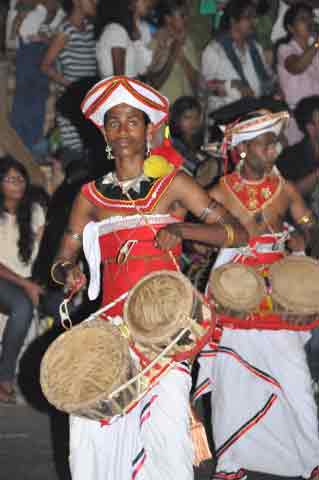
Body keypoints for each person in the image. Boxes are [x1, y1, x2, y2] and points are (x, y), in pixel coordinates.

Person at [50, 75, 248, 480]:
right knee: (94, 426)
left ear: (149, 129)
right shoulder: (89, 196)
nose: (123, 131)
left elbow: (236, 232)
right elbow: (60, 260)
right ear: (104, 132)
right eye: (114, 123)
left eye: (132, 122)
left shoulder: (174, 184)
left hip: (166, 326)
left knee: (167, 425)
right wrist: (69, 273)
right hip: (112, 328)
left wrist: (184, 230)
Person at [157, 108, 319, 480]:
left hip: (279, 291)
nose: (274, 150)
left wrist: (301, 236)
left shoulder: (285, 188)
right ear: (244, 150)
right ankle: (232, 464)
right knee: (233, 379)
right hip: (234, 290)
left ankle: (310, 458)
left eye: (275, 142)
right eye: (265, 144)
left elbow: (308, 224)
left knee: (294, 375)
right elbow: (186, 228)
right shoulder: (218, 192)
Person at [0, 156, 45, 403]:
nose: (17, 184)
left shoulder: (35, 211)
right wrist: (26, 284)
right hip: (7, 279)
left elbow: (47, 248)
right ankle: (4, 379)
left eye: (20, 179)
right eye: (10, 179)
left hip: (28, 279)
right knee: (21, 306)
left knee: (64, 305)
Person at [41, 0, 96, 164]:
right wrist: (71, 86)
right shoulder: (65, 30)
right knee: (75, 151)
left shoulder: (91, 29)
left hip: (89, 101)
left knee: (88, 148)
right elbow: (45, 65)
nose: (95, 2)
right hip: (73, 101)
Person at [201, 0, 274, 115]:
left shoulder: (255, 47)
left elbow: (266, 79)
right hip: (227, 117)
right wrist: (232, 84)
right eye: (248, 17)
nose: (254, 21)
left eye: (255, 17)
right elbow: (205, 87)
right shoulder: (214, 50)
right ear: (233, 21)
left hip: (256, 112)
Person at [277, 2, 319, 144]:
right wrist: (317, 44)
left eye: (310, 18)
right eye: (302, 19)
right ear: (291, 28)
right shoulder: (285, 49)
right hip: (296, 120)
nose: (308, 22)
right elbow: (297, 66)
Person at [147, 0, 200, 103]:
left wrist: (182, 59)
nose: (187, 19)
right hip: (164, 109)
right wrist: (172, 54)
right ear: (168, 19)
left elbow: (196, 84)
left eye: (187, 15)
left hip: (185, 109)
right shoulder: (156, 43)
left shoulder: (188, 42)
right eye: (182, 16)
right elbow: (153, 84)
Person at [95, 0, 154, 78]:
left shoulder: (130, 31)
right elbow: (119, 79)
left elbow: (144, 70)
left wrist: (137, 41)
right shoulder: (116, 30)